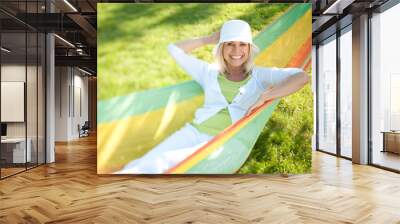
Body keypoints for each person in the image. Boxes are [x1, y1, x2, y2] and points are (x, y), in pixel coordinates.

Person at [117, 20, 309, 174]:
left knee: (161, 163)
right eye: (230, 44)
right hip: (192, 132)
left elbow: (301, 77)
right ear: (221, 48)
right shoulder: (208, 72)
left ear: (249, 49)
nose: (236, 51)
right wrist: (208, 39)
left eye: (242, 44)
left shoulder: (260, 76)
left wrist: (266, 96)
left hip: (223, 142)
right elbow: (174, 49)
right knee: (144, 161)